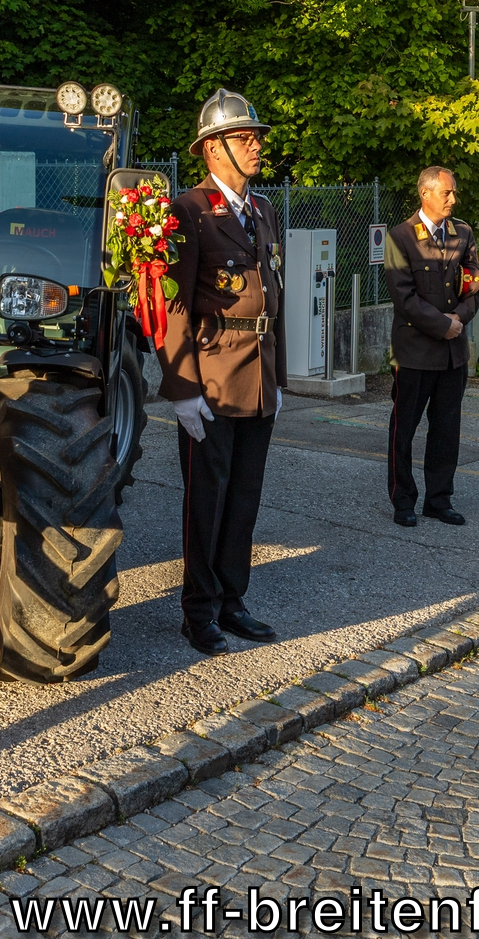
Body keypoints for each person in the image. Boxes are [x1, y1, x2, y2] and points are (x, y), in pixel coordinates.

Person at [156, 88, 287, 657]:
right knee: (206, 501)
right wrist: (182, 389)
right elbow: (174, 306)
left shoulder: (263, 210)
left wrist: (278, 379)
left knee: (245, 498)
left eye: (256, 138)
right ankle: (199, 610)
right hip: (211, 377)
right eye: (244, 138)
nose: (256, 146)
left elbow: (274, 296)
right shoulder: (188, 211)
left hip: (257, 376)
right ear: (213, 148)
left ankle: (233, 600)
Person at [384, 166, 479, 527]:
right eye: (447, 192)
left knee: (446, 430)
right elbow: (404, 297)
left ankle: (439, 500)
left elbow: (475, 285)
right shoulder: (400, 237)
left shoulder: (463, 233)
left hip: (452, 354)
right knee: (404, 430)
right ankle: (403, 500)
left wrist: (459, 318)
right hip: (414, 352)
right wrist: (444, 325)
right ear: (425, 194)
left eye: (453, 192)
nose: (453, 199)